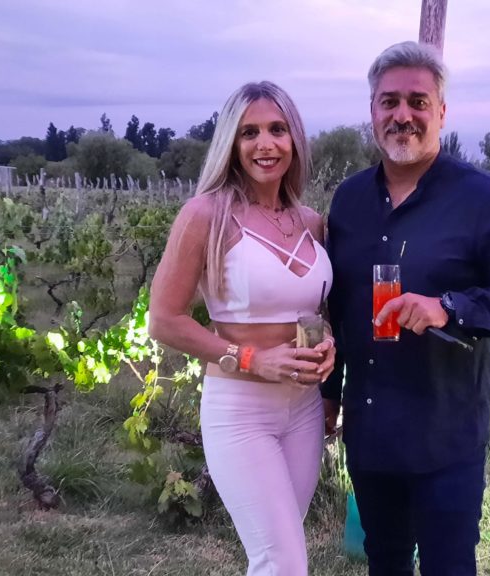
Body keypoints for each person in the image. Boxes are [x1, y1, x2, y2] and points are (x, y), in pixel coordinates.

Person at [321, 42, 490, 575]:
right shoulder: (349, 200)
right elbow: (339, 304)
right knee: (385, 562)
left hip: (445, 438)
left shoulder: (485, 199)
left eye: (418, 102)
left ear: (442, 112)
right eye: (389, 101)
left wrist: (450, 306)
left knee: (448, 566)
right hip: (371, 434)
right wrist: (330, 393)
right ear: (373, 111)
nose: (402, 114)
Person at [149, 81, 336, 576]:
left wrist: (330, 343)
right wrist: (251, 359)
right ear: (231, 143)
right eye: (249, 132)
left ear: (294, 139)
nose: (264, 144)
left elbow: (318, 309)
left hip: (304, 411)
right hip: (241, 411)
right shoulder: (205, 215)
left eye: (277, 130)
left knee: (277, 556)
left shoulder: (312, 222)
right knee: (284, 563)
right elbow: (163, 320)